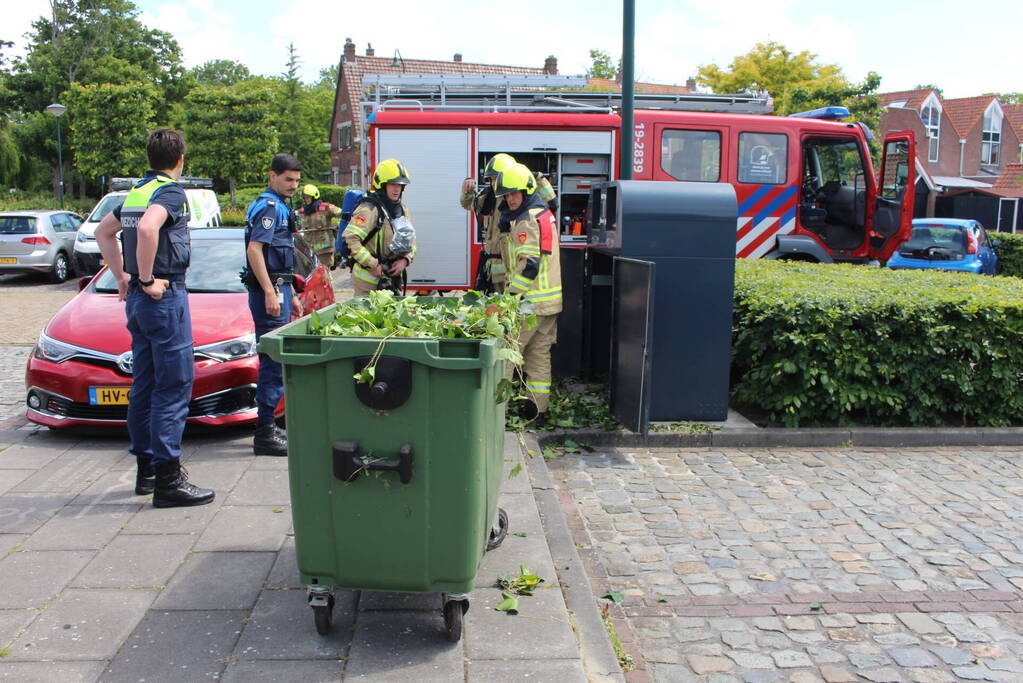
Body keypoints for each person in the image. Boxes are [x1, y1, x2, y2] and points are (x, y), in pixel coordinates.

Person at [94, 129, 214, 507]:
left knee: (144, 387)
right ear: (181, 159)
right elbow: (148, 229)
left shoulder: (137, 192)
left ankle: (146, 472)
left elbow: (104, 232)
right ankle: (168, 481)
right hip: (164, 298)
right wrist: (145, 279)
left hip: (139, 307)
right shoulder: (171, 192)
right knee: (173, 387)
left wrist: (123, 277)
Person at [242, 153, 305, 456]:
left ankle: (269, 427)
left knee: (276, 360)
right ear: (272, 176)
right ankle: (265, 432)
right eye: (288, 179)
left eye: (296, 180)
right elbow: (256, 251)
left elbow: (281, 258)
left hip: (279, 290)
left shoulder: (278, 206)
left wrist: (290, 291)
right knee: (273, 361)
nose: (293, 185)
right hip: (269, 294)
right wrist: (270, 291)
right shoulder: (268, 208)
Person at [494, 162, 562, 423]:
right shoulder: (542, 212)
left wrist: (509, 298)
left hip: (528, 305)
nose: (510, 199)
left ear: (526, 191)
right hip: (549, 303)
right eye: (507, 195)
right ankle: (537, 412)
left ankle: (496, 414)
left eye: (514, 194)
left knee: (506, 355)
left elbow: (529, 266)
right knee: (538, 356)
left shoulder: (525, 221)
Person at [343, 159, 416, 296]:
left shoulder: (403, 210)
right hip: (367, 282)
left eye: (400, 185)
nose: (397, 189)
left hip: (390, 281)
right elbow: (350, 239)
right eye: (393, 184)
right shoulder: (368, 209)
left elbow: (411, 241)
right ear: (382, 185)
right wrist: (372, 264)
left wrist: (405, 260)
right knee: (368, 317)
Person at [461, 153, 515, 293]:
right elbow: (469, 204)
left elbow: (551, 203)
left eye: (496, 178)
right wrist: (467, 189)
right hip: (492, 267)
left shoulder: (516, 201)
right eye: (491, 179)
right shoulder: (490, 197)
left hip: (509, 271)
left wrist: (539, 179)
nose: (493, 183)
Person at [297, 184, 342, 270]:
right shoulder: (302, 212)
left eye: (308, 197)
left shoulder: (326, 208)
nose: (306, 200)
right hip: (309, 251)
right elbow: (297, 227)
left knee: (325, 275)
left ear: (314, 196)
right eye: (305, 198)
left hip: (324, 251)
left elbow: (342, 214)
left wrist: (340, 224)